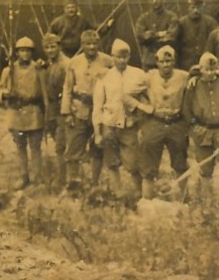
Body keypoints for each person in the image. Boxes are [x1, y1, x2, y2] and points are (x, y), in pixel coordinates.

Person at [91, 40, 149, 199]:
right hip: (109, 124)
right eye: (118, 57)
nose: (122, 60)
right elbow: (97, 106)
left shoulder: (138, 74)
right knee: (111, 161)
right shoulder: (105, 77)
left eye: (125, 56)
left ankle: (138, 194)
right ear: (112, 57)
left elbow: (147, 98)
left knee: (133, 162)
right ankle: (117, 193)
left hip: (130, 125)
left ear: (130, 56)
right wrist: (97, 132)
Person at [59, 29, 112, 190]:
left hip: (99, 110)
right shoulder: (74, 63)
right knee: (74, 147)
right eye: (88, 44)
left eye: (95, 43)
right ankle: (73, 182)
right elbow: (67, 88)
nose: (91, 47)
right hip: (79, 109)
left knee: (98, 147)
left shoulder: (107, 61)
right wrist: (67, 112)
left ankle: (94, 183)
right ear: (82, 45)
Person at [136, 45, 192, 199]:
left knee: (180, 163)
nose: (166, 65)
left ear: (174, 61)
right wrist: (142, 108)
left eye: (169, 61)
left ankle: (184, 199)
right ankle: (146, 199)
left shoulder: (184, 76)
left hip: (176, 123)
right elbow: (130, 91)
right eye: (163, 61)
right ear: (157, 62)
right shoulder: (148, 77)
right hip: (156, 122)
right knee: (148, 166)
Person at [181, 47, 219, 202]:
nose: (210, 73)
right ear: (201, 69)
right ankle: (207, 200)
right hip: (202, 132)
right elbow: (187, 111)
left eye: (213, 69)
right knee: (205, 169)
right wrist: (194, 126)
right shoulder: (193, 86)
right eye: (206, 69)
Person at [0, 37, 51, 188]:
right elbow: (1, 89)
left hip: (33, 112)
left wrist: (46, 112)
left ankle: (37, 177)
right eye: (22, 51)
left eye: (28, 51)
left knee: (35, 146)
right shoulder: (9, 70)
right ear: (17, 53)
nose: (25, 54)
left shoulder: (38, 69)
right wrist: (5, 95)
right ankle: (24, 176)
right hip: (16, 113)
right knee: (20, 146)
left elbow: (44, 93)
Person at [39, 33, 69, 187]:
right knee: (55, 142)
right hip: (51, 108)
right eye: (47, 47)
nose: (50, 50)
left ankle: (62, 180)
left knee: (61, 146)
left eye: (53, 46)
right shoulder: (50, 64)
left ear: (59, 46)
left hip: (62, 109)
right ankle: (59, 175)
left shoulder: (65, 65)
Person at [135, 0, 180, 70]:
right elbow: (140, 37)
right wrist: (159, 34)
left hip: (166, 61)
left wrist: (150, 36)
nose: (154, 1)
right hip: (149, 62)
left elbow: (171, 38)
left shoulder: (171, 17)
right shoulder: (143, 18)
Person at [175, 0, 216, 73]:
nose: (195, 11)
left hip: (205, 64)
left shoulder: (210, 22)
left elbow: (217, 38)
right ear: (188, 8)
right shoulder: (181, 23)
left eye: (198, 8)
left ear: (202, 8)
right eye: (193, 8)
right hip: (185, 64)